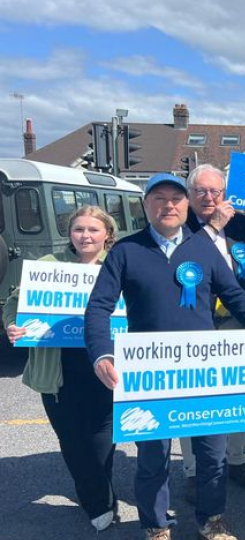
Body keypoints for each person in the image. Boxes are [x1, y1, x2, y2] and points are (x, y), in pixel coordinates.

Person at [85, 173, 245, 540]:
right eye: (159, 198)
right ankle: (156, 526)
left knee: (211, 455)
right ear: (146, 205)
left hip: (202, 372)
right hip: (150, 373)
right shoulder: (126, 251)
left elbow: (234, 294)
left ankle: (212, 520)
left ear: (186, 205)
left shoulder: (203, 247)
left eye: (175, 198)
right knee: (153, 458)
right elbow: (98, 308)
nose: (168, 205)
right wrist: (101, 354)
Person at [3, 205, 119, 532]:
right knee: (72, 440)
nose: (85, 235)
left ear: (107, 234)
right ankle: (98, 502)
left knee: (102, 440)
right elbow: (14, 306)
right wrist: (13, 326)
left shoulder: (117, 265)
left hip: (105, 368)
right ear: (70, 233)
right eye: (78, 229)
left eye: (93, 230)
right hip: (57, 371)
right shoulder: (47, 266)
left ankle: (100, 491)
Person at [180, 164, 245, 498]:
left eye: (215, 192)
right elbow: (180, 259)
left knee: (239, 394)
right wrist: (212, 227)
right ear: (189, 195)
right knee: (192, 400)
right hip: (193, 321)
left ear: (225, 194)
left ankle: (237, 461)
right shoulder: (179, 224)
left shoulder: (241, 223)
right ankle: (193, 470)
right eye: (200, 191)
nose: (208, 197)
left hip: (237, 320)